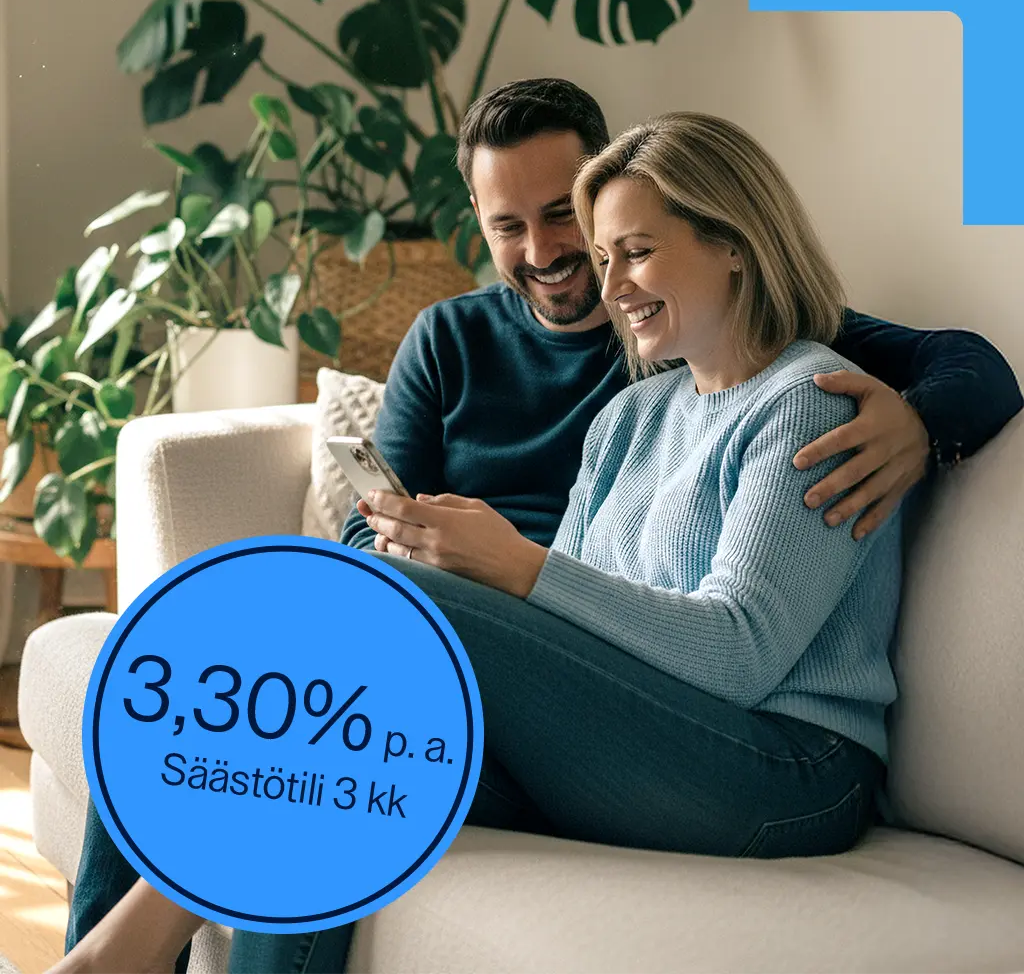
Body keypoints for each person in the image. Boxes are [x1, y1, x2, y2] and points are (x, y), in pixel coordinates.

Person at [53, 86, 1023, 974]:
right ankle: (106, 954)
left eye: (629, 249)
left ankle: (111, 960)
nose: (604, 280)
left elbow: (737, 655)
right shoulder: (633, 413)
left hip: (784, 769)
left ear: (733, 241)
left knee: (379, 606)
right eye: (605, 255)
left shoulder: (812, 404)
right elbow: (582, 640)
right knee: (292, 735)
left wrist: (514, 568)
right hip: (633, 744)